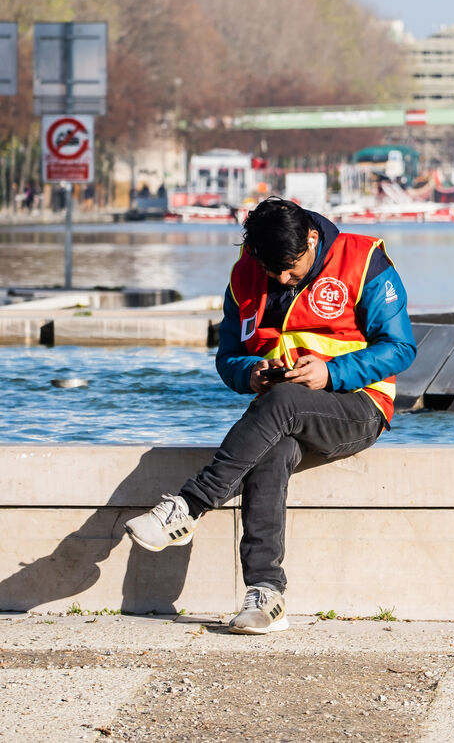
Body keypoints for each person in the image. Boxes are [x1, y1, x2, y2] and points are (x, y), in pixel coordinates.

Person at [125, 197, 416, 634]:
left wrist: (331, 372)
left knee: (282, 403)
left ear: (312, 239)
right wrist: (252, 372)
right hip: (281, 411)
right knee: (274, 450)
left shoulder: (363, 260)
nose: (280, 278)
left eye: (290, 268)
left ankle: (190, 505)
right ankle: (266, 595)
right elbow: (228, 358)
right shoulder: (244, 274)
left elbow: (401, 347)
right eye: (271, 269)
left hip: (359, 404)